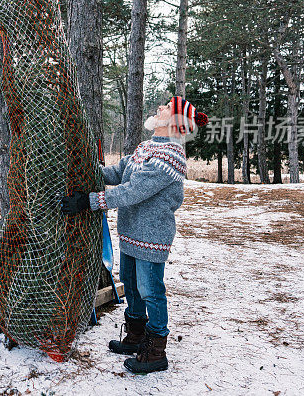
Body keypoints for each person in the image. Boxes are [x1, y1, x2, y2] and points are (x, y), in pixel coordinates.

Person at [61, 96, 208, 374]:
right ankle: (136, 335)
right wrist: (85, 174)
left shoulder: (170, 158)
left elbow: (132, 190)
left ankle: (155, 350)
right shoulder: (146, 147)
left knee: (151, 291)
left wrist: (88, 201)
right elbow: (118, 172)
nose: (160, 108)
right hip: (130, 232)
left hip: (152, 237)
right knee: (130, 283)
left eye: (166, 107)